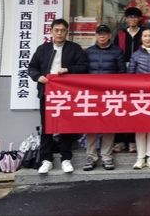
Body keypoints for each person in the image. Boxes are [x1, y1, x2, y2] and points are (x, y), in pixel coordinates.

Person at [28, 18, 88, 175]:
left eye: (62, 30)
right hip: (47, 92)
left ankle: (66, 159)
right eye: (56, 30)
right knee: (47, 125)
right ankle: (46, 160)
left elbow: (84, 67)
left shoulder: (74, 49)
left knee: (66, 126)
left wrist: (68, 70)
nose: (59, 33)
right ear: (51, 32)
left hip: (67, 94)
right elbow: (32, 68)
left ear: (67, 32)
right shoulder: (43, 49)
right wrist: (38, 77)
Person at [83, 24, 125, 171]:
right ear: (96, 35)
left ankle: (106, 156)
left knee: (109, 125)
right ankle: (91, 156)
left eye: (105, 33)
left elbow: (122, 73)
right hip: (92, 94)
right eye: (99, 33)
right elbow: (83, 72)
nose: (102, 36)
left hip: (110, 95)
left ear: (109, 36)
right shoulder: (88, 52)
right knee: (91, 125)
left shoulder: (117, 51)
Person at [128, 27, 150, 170]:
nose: (147, 38)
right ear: (141, 38)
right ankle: (140, 158)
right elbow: (130, 75)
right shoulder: (135, 55)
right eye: (145, 36)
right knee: (140, 128)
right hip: (140, 96)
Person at [114, 6, 143, 153]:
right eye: (130, 17)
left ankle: (132, 141)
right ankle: (120, 141)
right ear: (126, 19)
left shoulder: (144, 33)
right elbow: (114, 52)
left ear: (139, 19)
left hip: (139, 73)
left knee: (135, 107)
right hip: (122, 72)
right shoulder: (120, 34)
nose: (132, 19)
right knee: (120, 106)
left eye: (135, 17)